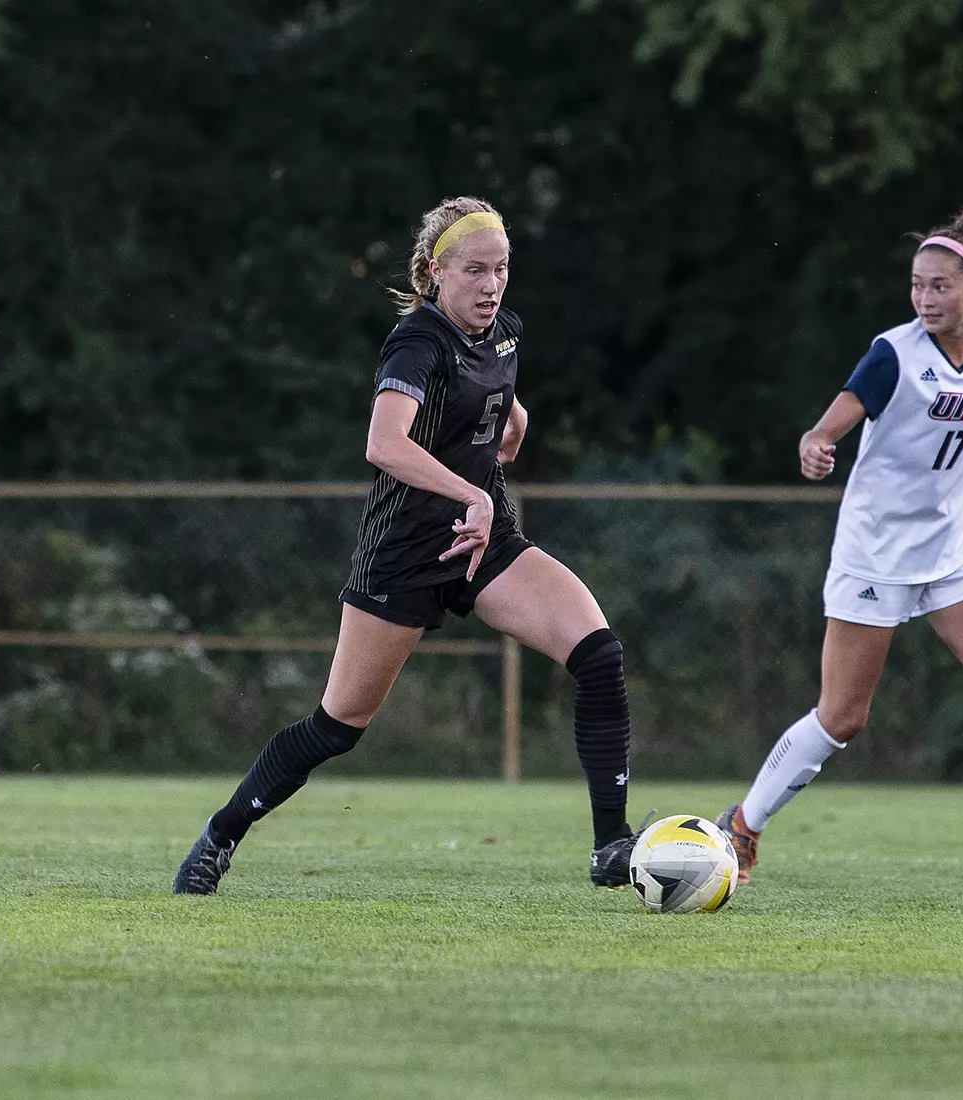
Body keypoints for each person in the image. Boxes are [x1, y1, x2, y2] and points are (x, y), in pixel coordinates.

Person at [175, 197, 637, 894]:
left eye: (502, 268)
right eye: (475, 270)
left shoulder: (503, 332)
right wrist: (474, 494)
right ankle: (220, 835)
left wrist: (515, 419)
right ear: (434, 273)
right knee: (339, 724)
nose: (491, 284)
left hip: (486, 544)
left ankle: (612, 847)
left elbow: (494, 387)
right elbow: (383, 443)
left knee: (599, 655)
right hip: (406, 552)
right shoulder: (416, 342)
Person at [718, 210, 963, 891]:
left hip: (951, 551)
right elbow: (834, 420)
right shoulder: (893, 353)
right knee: (843, 716)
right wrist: (817, 443)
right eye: (917, 286)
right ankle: (742, 826)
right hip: (874, 552)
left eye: (940, 287)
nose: (925, 299)